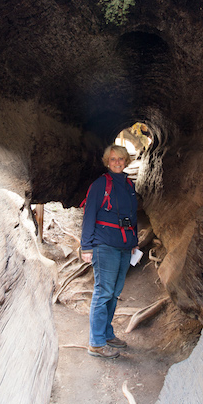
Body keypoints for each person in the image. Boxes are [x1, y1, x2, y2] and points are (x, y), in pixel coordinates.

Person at [81, 145, 139, 359]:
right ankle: (96, 343)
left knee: (114, 293)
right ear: (107, 161)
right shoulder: (100, 185)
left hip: (124, 245)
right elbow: (89, 215)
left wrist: (135, 241)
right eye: (113, 159)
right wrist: (85, 246)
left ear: (126, 161)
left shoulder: (129, 185)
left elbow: (133, 216)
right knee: (103, 291)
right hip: (104, 244)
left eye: (121, 159)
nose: (117, 162)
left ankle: (106, 333)